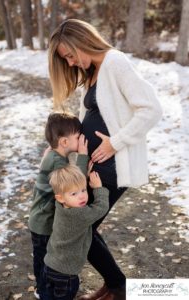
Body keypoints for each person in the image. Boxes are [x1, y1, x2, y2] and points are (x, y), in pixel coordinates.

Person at [48, 19, 162, 300]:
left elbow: (151, 109)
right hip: (95, 164)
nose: (72, 62)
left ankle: (118, 286)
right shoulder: (95, 70)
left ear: (82, 41)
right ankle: (115, 285)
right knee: (80, 225)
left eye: (71, 55)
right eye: (67, 59)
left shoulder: (115, 62)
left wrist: (115, 143)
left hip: (113, 164)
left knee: (79, 226)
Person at [28, 112, 89, 299]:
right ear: (64, 142)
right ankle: (43, 290)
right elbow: (74, 182)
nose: (80, 140)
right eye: (78, 137)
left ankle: (41, 288)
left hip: (38, 219)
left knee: (42, 256)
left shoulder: (53, 155)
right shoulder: (57, 162)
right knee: (45, 259)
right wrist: (83, 156)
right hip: (44, 223)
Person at [41, 165, 109, 300]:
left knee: (48, 296)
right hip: (66, 274)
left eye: (83, 190)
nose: (82, 196)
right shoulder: (80, 214)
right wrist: (98, 188)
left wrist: (82, 173)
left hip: (49, 264)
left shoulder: (60, 205)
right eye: (74, 193)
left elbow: (71, 188)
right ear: (60, 198)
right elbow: (101, 207)